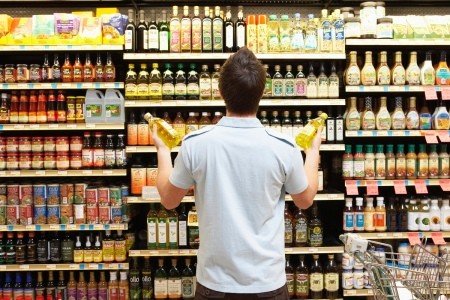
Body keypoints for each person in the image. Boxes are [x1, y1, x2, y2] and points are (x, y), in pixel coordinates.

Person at [152, 47, 322, 299]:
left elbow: (168, 199)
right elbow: (305, 200)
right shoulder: (283, 147)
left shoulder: (195, 144)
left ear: (221, 92)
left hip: (214, 285)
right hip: (267, 284)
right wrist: (313, 150)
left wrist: (163, 150)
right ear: (263, 93)